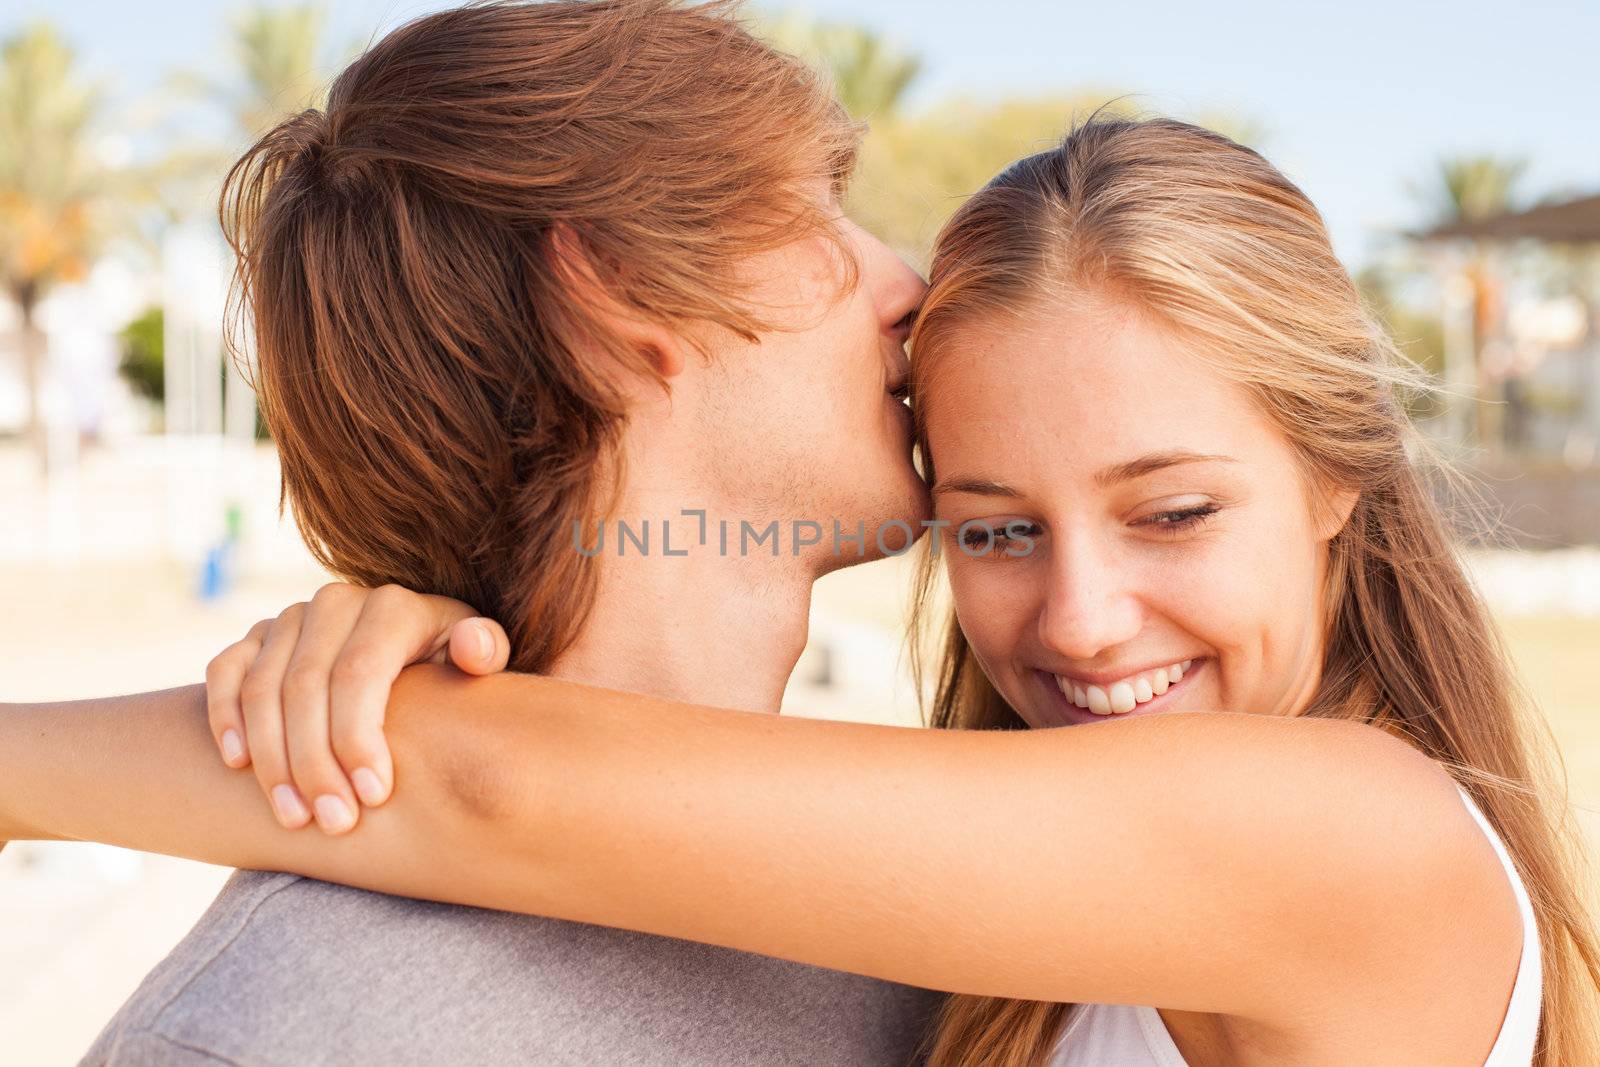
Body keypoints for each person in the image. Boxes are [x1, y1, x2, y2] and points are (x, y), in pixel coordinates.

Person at [4, 41, 1598, 1067]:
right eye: (993, 524)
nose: (1086, 616)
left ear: (1340, 481)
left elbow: (498, 792)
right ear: (628, 298)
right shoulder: (941, 918)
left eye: (1173, 508)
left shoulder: (1344, 830)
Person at [1, 1, 944, 1063]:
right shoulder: (264, 1036)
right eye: (816, 213)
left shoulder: (963, 911)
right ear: (620, 287)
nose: (908, 285)